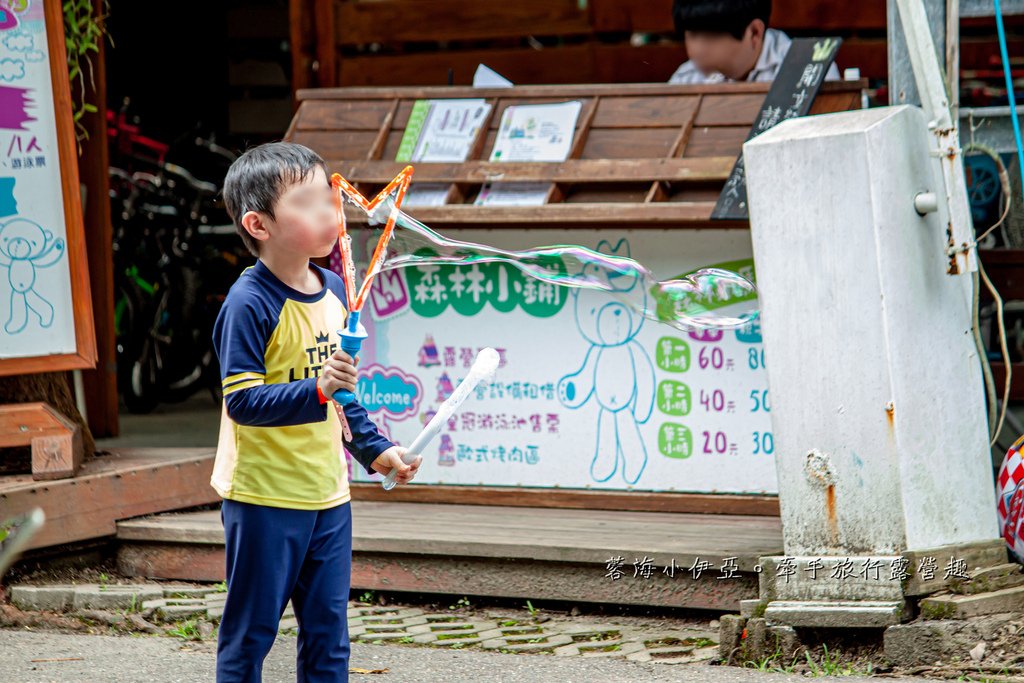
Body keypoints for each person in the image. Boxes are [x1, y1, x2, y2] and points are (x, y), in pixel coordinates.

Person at [211, 141, 422, 682]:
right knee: (251, 635)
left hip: (329, 495)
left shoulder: (335, 289)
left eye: (329, 196)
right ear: (259, 224)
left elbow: (344, 395)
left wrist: (377, 450)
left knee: (329, 636)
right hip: (263, 498)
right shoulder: (248, 303)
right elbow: (242, 403)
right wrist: (317, 389)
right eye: (306, 202)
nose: (329, 211)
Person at [669, 0, 840, 85]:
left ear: (754, 32)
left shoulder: (807, 70)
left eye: (710, 37)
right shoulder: (686, 78)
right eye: (691, 34)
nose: (697, 50)